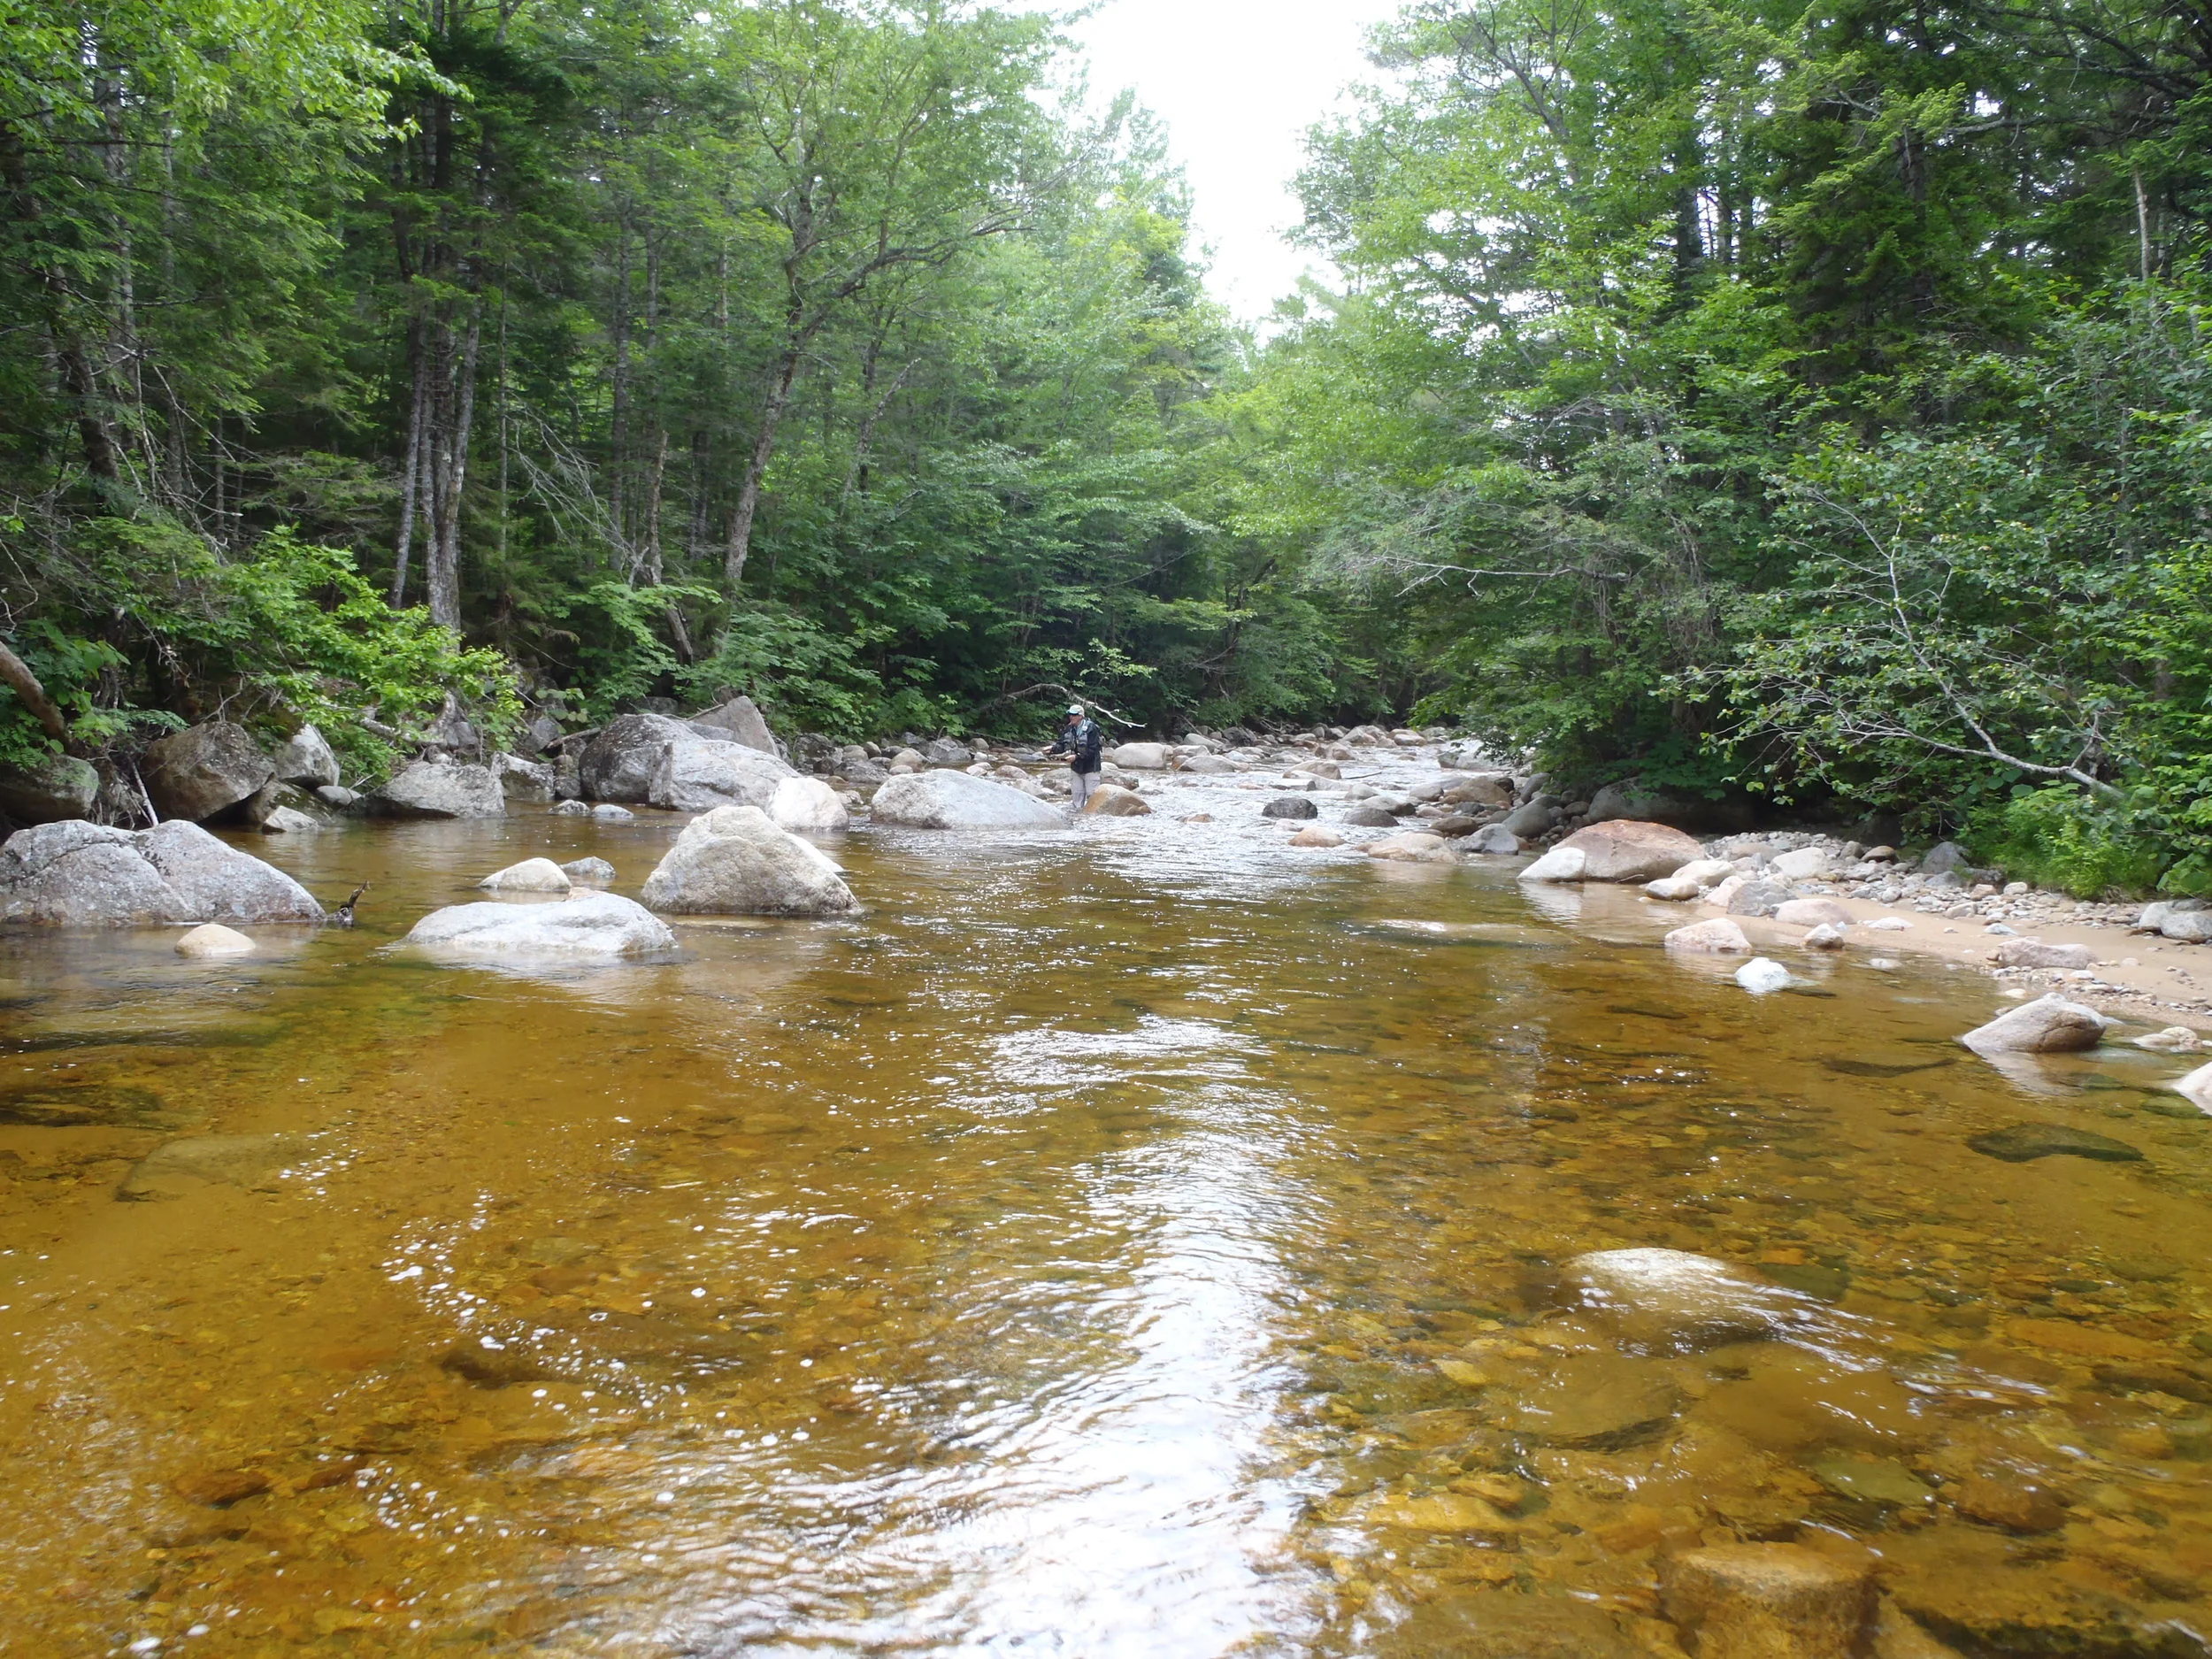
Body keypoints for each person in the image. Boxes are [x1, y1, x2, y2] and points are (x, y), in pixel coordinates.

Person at [1047, 702, 1104, 809]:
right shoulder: (1069, 728)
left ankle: (1092, 817)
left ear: (1080, 716)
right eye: (1070, 714)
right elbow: (1062, 744)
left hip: (1091, 767)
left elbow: (1093, 750)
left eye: (1074, 715)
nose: (1071, 717)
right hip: (1076, 767)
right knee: (1077, 797)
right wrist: (1052, 749)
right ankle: (1078, 816)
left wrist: (1076, 757)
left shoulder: (1091, 728)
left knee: (1092, 796)